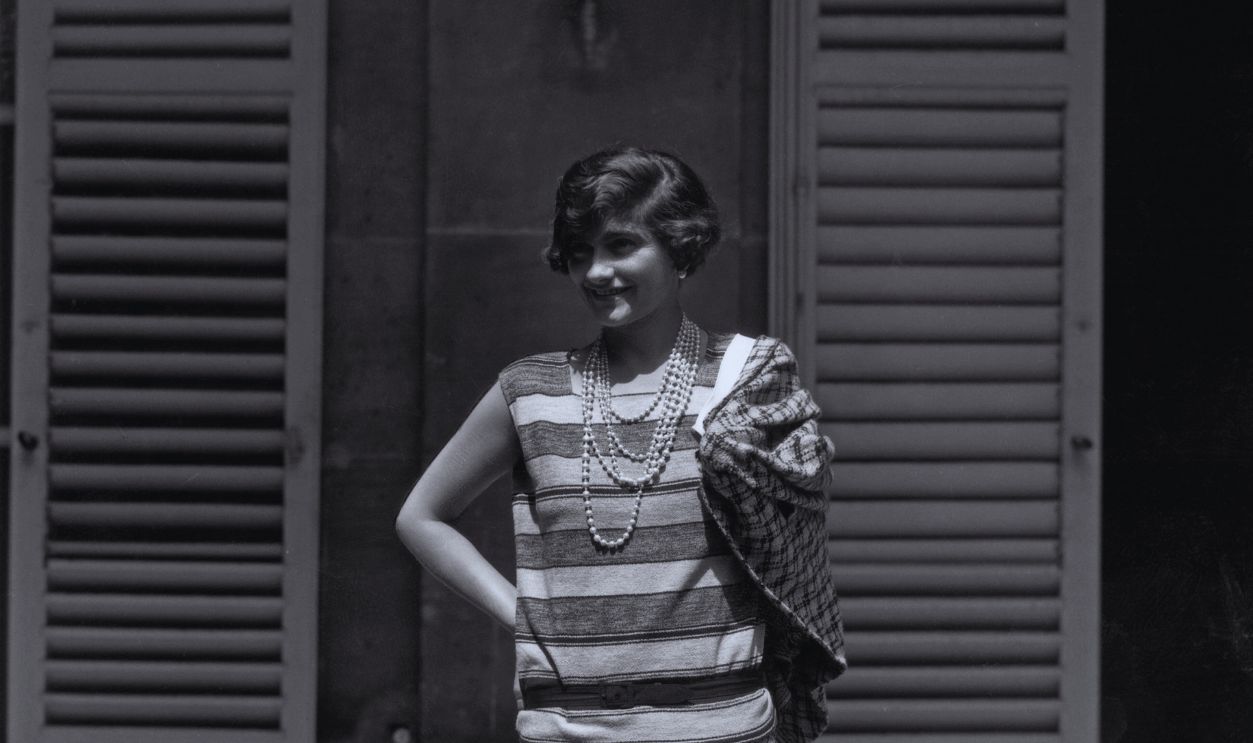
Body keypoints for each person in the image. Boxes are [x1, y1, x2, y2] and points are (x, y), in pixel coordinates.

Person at [396, 146, 845, 743]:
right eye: (580, 251)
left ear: (680, 248)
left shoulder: (747, 378)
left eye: (620, 245)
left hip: (723, 725)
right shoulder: (529, 390)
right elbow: (421, 517)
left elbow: (798, 537)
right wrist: (524, 618)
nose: (596, 272)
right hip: (568, 726)